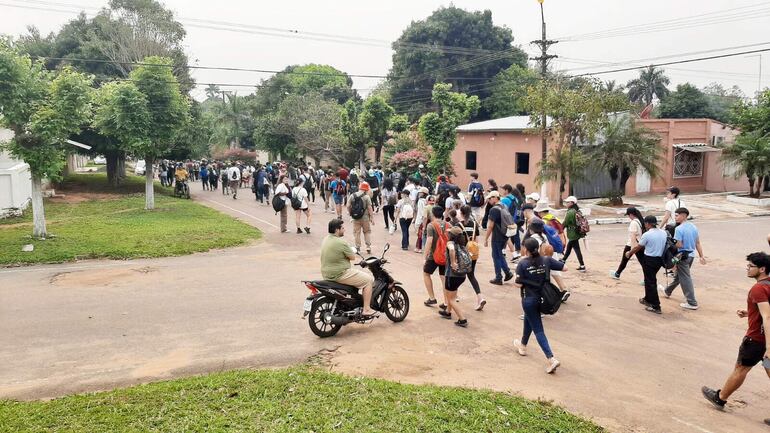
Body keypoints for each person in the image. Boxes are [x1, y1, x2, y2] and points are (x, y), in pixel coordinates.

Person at [701, 252, 770, 425]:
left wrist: (769, 347)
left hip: (758, 340)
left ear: (762, 269)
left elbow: (767, 317)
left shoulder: (758, 288)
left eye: (750, 266)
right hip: (763, 339)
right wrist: (750, 313)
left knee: (741, 369)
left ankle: (720, 397)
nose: (747, 268)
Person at [513, 237, 565, 374]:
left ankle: (551, 358)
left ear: (526, 249)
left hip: (529, 300)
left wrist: (526, 279)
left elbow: (518, 284)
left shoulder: (522, 264)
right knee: (529, 320)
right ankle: (522, 346)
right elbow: (565, 268)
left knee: (538, 330)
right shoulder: (546, 260)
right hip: (544, 299)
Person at [321, 219, 377, 317]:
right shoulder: (341, 242)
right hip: (340, 274)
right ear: (337, 230)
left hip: (326, 273)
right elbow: (352, 257)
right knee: (368, 280)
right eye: (342, 228)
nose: (344, 230)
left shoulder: (326, 239)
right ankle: (366, 309)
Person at [662, 207, 706, 310]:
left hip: (682, 257)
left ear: (684, 216)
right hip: (691, 256)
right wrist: (701, 256)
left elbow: (679, 245)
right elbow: (697, 242)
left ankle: (692, 302)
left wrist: (671, 242)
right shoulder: (693, 227)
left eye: (677, 215)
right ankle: (667, 291)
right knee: (680, 276)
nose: (675, 217)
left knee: (685, 278)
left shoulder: (679, 229)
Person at [626, 215, 666, 314]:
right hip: (660, 260)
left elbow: (638, 247)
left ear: (648, 224)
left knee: (651, 282)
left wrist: (629, 253)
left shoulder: (647, 235)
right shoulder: (663, 232)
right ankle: (647, 299)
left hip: (650, 260)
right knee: (648, 280)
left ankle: (656, 306)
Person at [440, 226, 469, 327]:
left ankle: (462, 319)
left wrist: (452, 262)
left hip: (452, 275)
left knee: (451, 299)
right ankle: (448, 312)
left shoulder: (450, 243)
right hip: (462, 275)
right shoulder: (463, 244)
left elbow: (451, 250)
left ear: (452, 236)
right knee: (451, 294)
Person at [484, 191, 514, 285]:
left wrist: (486, 238)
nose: (489, 200)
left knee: (496, 256)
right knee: (499, 254)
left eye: (490, 198)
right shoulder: (504, 206)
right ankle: (507, 272)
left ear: (494, 198)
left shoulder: (494, 210)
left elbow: (490, 226)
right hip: (505, 234)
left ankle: (499, 277)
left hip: (497, 236)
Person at [460, 205, 486, 311]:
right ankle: (480, 297)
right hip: (473, 253)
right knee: (471, 275)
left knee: (456, 275)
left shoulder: (459, 225)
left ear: (461, 213)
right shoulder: (475, 224)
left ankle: (451, 298)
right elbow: (476, 241)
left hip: (462, 253)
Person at [610, 207, 646, 280]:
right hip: (640, 243)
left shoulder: (633, 223)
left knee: (625, 260)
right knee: (642, 262)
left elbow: (633, 236)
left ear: (631, 214)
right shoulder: (640, 221)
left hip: (632, 244)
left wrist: (632, 249)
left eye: (629, 215)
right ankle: (647, 278)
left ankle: (617, 274)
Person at [423, 206, 447, 307]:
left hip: (434, 256)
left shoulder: (431, 226)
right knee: (444, 278)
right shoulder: (448, 224)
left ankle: (432, 298)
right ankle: (446, 302)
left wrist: (425, 256)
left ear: (432, 214)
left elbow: (429, 241)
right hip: (445, 255)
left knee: (426, 274)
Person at [348, 181, 374, 254]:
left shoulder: (352, 195)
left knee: (356, 232)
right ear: (366, 189)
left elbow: (348, 205)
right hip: (365, 217)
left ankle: (358, 247)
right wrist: (371, 217)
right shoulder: (367, 197)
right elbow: (369, 208)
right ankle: (368, 246)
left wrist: (351, 213)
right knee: (367, 232)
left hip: (356, 217)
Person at [561, 196, 586, 272]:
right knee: (569, 247)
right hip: (576, 232)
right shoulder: (576, 210)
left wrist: (560, 229)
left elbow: (566, 222)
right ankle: (563, 260)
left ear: (572, 203)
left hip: (572, 233)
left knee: (577, 249)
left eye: (568, 202)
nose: (566, 203)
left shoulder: (570, 212)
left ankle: (582, 265)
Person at [414, 187, 429, 253]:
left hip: (420, 219)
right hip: (424, 219)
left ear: (423, 193)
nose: (419, 193)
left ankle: (419, 248)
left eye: (420, 192)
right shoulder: (427, 201)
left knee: (419, 235)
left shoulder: (420, 201)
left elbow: (421, 212)